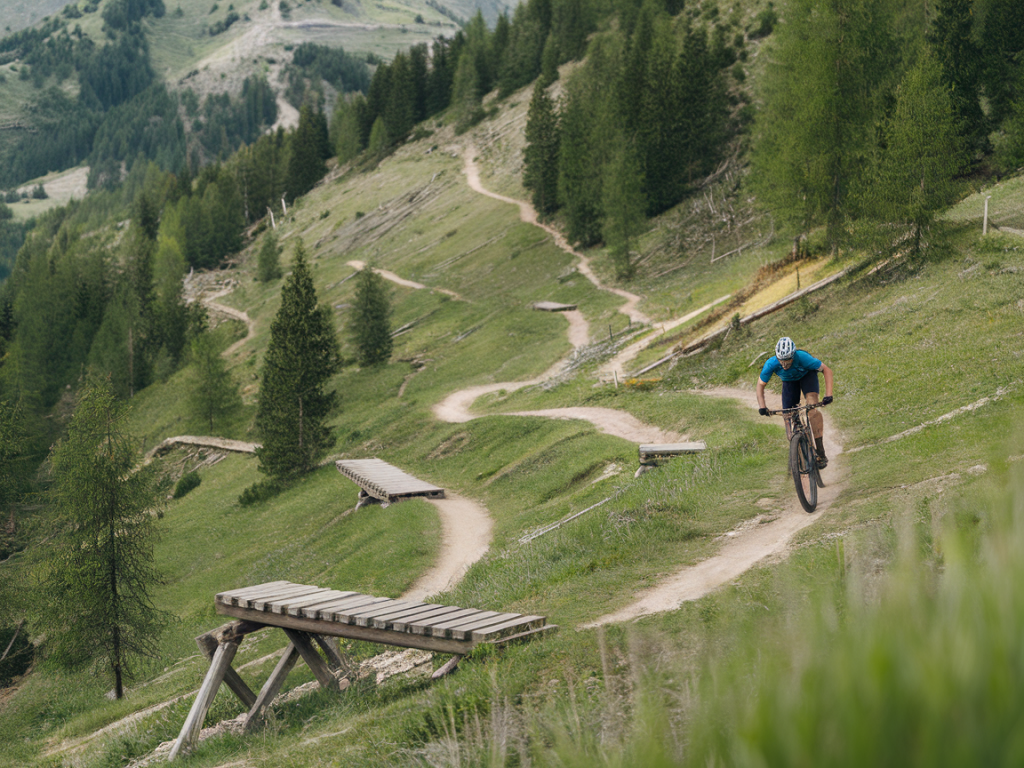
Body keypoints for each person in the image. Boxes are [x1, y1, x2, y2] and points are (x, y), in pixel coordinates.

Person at [756, 336, 834, 468]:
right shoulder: (771, 364)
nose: (784, 364)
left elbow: (827, 370)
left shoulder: (803, 358)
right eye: (782, 361)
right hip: (789, 382)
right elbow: (760, 386)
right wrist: (762, 407)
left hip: (807, 377)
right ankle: (797, 450)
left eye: (788, 360)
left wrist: (828, 395)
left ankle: (820, 452)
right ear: (777, 357)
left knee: (812, 409)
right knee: (788, 415)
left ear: (793, 355)